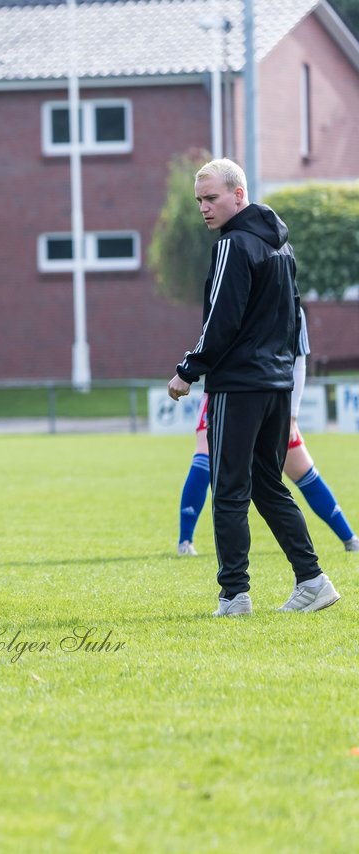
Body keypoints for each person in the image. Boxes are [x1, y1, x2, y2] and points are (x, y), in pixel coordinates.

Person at [168, 158, 339, 616]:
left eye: (212, 198)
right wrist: (283, 373)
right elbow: (292, 319)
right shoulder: (280, 248)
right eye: (200, 200)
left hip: (240, 385)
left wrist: (188, 369)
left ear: (238, 195)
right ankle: (313, 580)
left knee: (229, 488)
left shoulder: (233, 245)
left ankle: (234, 595)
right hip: (276, 383)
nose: (204, 208)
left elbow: (220, 322)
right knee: (268, 485)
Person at [177, 312, 359, 556]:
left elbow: (299, 360)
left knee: (300, 468)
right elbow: (214, 336)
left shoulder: (291, 304)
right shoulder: (237, 289)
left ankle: (349, 538)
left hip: (269, 395)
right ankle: (185, 541)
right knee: (205, 456)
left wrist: (292, 416)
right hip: (227, 392)